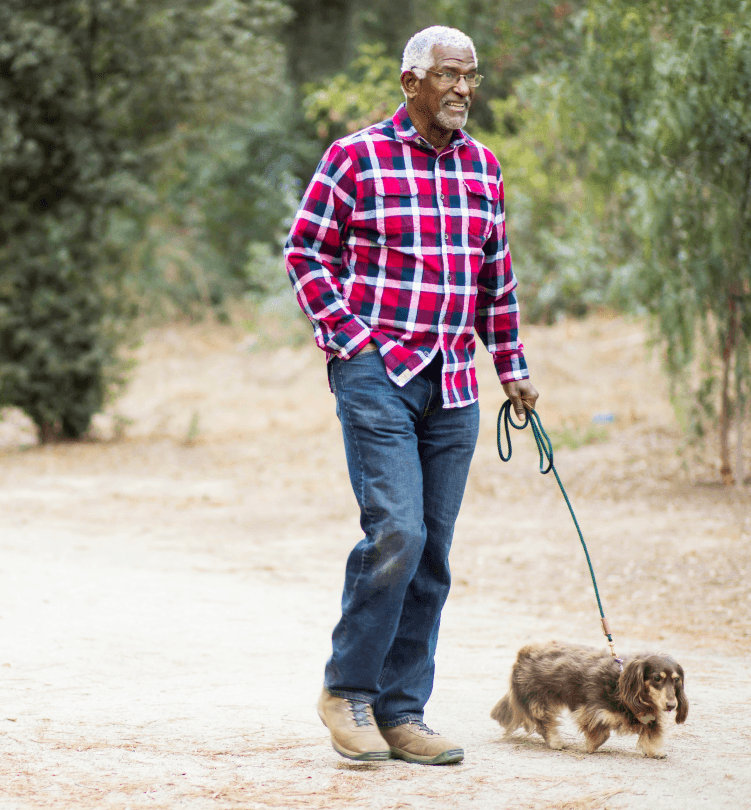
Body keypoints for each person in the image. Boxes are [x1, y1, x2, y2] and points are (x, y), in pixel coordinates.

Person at [284, 25, 538, 765]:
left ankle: (401, 711)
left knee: (432, 554)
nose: (463, 89)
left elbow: (496, 275)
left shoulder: (484, 167)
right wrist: (348, 338)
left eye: (472, 77)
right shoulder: (355, 156)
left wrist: (510, 364)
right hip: (376, 371)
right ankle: (347, 691)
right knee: (397, 531)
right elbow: (304, 249)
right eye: (450, 75)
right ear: (411, 83)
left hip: (454, 381)